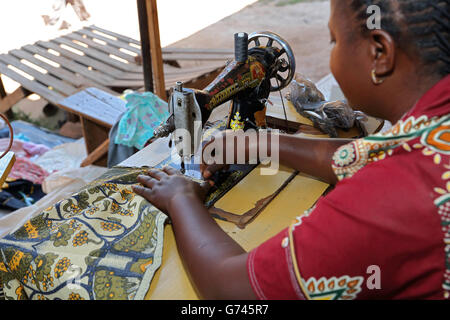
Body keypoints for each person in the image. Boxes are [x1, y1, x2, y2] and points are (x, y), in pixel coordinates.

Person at [132, 0, 449, 300]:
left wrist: (181, 199)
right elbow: (370, 155)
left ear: (379, 53)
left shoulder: (385, 201)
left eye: (334, 41)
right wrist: (261, 143)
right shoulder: (433, 134)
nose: (332, 53)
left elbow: (233, 291)